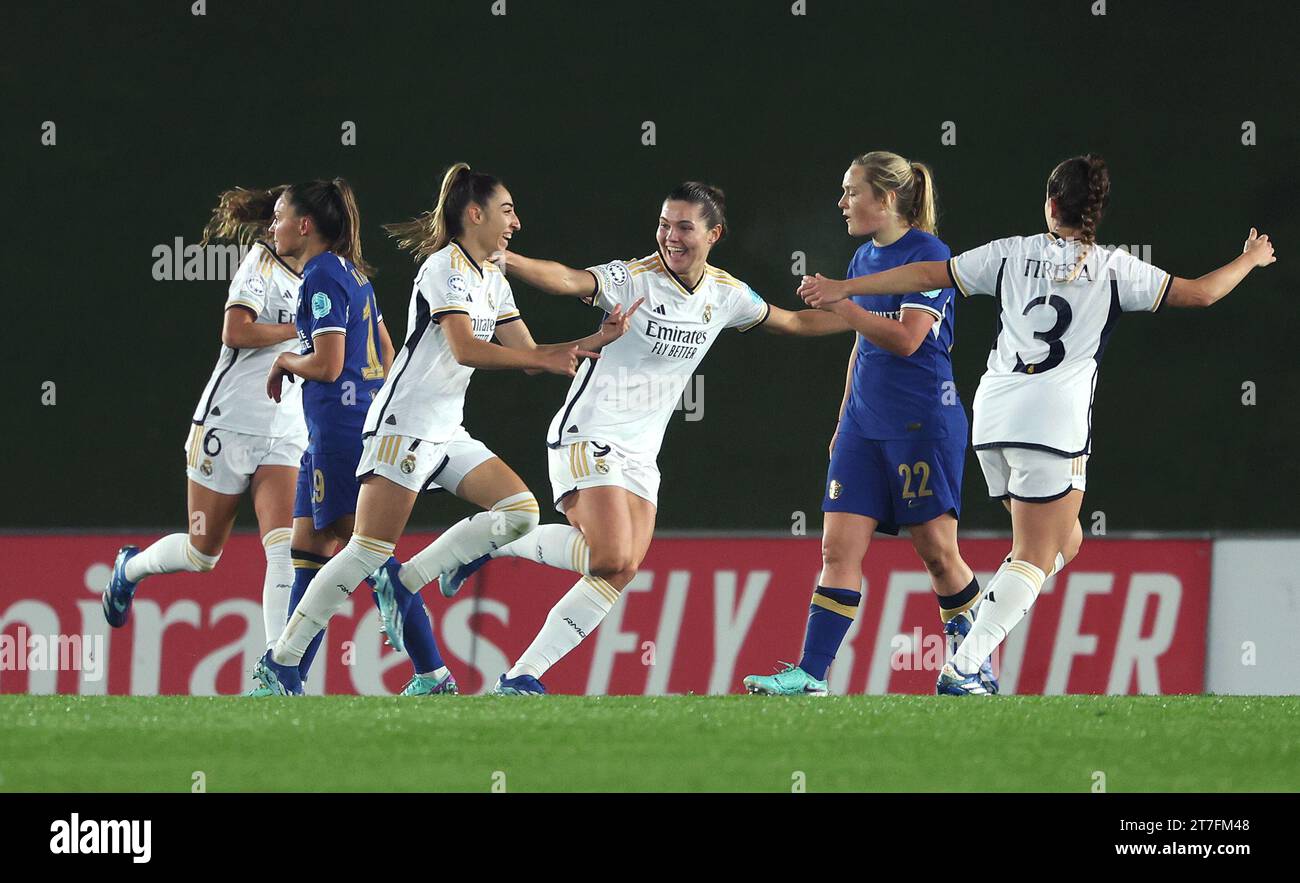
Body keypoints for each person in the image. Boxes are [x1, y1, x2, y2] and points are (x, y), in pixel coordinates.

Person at [800, 154, 1276, 695]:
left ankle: (989, 621)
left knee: (1064, 540)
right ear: (1095, 210)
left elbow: (928, 274)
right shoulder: (1114, 266)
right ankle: (965, 666)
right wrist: (1250, 259)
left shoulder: (1012, 252)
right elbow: (1202, 293)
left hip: (994, 417)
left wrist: (848, 288)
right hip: (1053, 422)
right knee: (1036, 553)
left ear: (1050, 204)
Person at [446, 181, 851, 694]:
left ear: (714, 233)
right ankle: (491, 541)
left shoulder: (724, 294)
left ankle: (522, 675)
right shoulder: (633, 278)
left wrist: (867, 319)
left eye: (684, 227)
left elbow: (792, 321)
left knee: (619, 569)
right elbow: (570, 280)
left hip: (641, 453)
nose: (670, 236)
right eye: (664, 224)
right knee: (611, 555)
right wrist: (511, 261)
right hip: (588, 433)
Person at [252, 164, 636, 696]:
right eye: (506, 211)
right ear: (474, 214)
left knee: (519, 513)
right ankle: (283, 660)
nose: (516, 223)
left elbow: (526, 355)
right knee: (364, 549)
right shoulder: (444, 268)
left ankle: (405, 580)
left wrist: (596, 337)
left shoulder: (492, 277)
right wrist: (549, 359)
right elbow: (465, 348)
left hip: (446, 429)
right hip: (403, 426)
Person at [743, 151, 998, 697]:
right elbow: (860, 343)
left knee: (936, 552)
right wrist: (842, 419)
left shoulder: (931, 254)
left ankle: (973, 667)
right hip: (863, 425)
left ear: (884, 199)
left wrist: (843, 300)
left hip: (922, 422)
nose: (842, 203)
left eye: (851, 192)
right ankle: (811, 675)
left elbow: (908, 339)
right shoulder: (862, 259)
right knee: (836, 550)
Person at [103, 185, 306, 658]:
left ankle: (278, 668)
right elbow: (236, 331)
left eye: (281, 217)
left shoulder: (326, 277)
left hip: (285, 433)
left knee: (283, 550)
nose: (273, 226)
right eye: (272, 217)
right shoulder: (259, 265)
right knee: (202, 553)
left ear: (307, 226)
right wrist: (300, 329)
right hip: (226, 429)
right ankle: (129, 569)